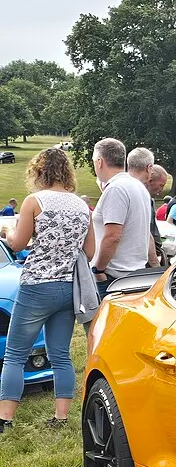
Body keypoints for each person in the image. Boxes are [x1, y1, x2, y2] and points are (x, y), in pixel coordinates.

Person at [1, 147, 94, 431]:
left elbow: (17, 244)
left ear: (39, 171)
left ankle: (5, 418)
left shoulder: (34, 201)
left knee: (15, 354)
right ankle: (61, 416)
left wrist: (6, 233)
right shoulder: (81, 205)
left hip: (36, 285)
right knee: (61, 355)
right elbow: (89, 252)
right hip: (68, 288)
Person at [90, 138, 154, 294]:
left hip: (113, 277)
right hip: (133, 274)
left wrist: (98, 269)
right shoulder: (138, 186)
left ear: (99, 162)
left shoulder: (116, 189)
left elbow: (113, 236)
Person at [126, 147, 163, 268]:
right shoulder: (142, 197)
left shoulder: (120, 189)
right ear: (149, 169)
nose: (161, 191)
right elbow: (146, 233)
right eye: (161, 185)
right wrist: (156, 266)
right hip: (136, 264)